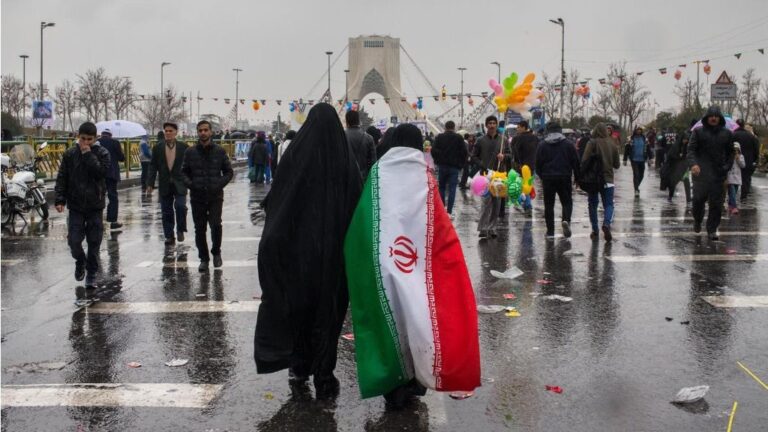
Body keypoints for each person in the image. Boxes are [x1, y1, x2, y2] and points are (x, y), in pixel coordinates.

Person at [254, 103, 362, 399]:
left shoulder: (296, 158)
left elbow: (280, 200)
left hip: (301, 256)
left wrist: (274, 245)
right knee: (328, 316)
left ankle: (300, 365)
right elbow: (357, 206)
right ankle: (324, 374)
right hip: (334, 257)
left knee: (300, 312)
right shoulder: (345, 163)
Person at [54, 122, 111, 288]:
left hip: (95, 205)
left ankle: (91, 274)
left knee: (94, 242)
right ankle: (80, 261)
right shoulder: (70, 154)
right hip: (76, 205)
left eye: (89, 139)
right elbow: (62, 177)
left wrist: (88, 154)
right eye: (82, 139)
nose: (85, 142)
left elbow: (101, 172)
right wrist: (59, 199)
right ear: (78, 136)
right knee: (74, 241)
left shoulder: (102, 153)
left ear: (95, 138)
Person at [181, 120, 234, 271]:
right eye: (200, 130)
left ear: (210, 132)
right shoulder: (190, 152)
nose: (203, 133)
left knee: (216, 225)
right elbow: (183, 172)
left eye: (205, 130)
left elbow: (229, 172)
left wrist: (219, 183)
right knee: (200, 228)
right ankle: (203, 258)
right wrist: (192, 184)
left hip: (215, 195)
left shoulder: (220, 151)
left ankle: (216, 252)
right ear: (197, 133)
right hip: (197, 196)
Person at [688, 106, 735, 240]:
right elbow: (691, 150)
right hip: (700, 175)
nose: (713, 118)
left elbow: (731, 153)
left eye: (716, 116)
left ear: (719, 118)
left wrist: (726, 166)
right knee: (698, 201)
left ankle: (712, 229)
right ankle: (697, 220)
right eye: (711, 116)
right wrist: (694, 164)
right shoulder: (698, 132)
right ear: (707, 118)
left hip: (718, 175)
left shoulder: (727, 134)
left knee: (716, 205)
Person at [535, 122, 580, 239]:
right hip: (564, 176)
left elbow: (538, 163)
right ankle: (566, 220)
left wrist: (542, 176)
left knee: (549, 205)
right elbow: (576, 162)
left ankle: (550, 231)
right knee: (566, 201)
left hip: (548, 178)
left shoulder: (542, 145)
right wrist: (577, 177)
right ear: (560, 131)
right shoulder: (568, 144)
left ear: (548, 131)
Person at [147, 122, 189, 245]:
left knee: (181, 207)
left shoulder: (184, 147)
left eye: (171, 131)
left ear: (176, 132)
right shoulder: (158, 147)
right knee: (166, 211)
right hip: (165, 183)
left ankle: (180, 229)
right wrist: (150, 183)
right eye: (166, 131)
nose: (168, 133)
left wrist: (191, 181)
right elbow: (153, 166)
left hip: (180, 183)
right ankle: (169, 235)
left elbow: (189, 166)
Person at [581, 123, 620, 241]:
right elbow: (617, 165)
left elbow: (584, 160)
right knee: (608, 204)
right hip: (607, 179)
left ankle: (595, 230)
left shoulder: (591, 143)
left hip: (593, 180)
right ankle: (607, 224)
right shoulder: (612, 144)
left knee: (592, 204)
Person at [472, 116, 507, 239]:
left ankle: (492, 228)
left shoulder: (504, 140)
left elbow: (510, 155)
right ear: (486, 125)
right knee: (486, 203)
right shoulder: (480, 140)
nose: (492, 125)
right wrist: (482, 164)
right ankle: (483, 228)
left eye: (494, 123)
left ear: (497, 125)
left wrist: (504, 157)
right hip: (485, 176)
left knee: (497, 203)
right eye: (490, 123)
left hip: (499, 175)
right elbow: (473, 156)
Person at [431, 120, 468, 218]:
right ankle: (450, 211)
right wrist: (460, 164)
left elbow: (433, 150)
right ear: (454, 127)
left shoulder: (439, 137)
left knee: (441, 188)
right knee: (452, 189)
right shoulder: (459, 138)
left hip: (442, 166)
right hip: (454, 167)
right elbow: (464, 152)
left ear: (445, 127)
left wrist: (438, 160)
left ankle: (443, 209)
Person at [98, 129, 125, 229]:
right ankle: (113, 221)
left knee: (99, 196)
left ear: (102, 134)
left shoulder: (97, 142)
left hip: (99, 173)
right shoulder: (115, 142)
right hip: (112, 173)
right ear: (111, 134)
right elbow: (121, 158)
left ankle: (98, 219)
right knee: (113, 197)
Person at [511, 120, 539, 215]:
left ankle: (527, 206)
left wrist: (517, 164)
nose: (517, 129)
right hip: (532, 166)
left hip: (521, 166)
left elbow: (515, 152)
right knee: (527, 185)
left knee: (522, 186)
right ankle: (525, 203)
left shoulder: (518, 138)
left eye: (518, 127)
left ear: (523, 127)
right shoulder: (535, 138)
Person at [664, 121, 694, 204]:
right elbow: (671, 155)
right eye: (685, 139)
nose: (685, 141)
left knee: (686, 181)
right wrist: (678, 157)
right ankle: (670, 196)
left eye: (687, 140)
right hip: (676, 167)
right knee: (674, 182)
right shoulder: (676, 146)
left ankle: (688, 199)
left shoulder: (687, 146)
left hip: (684, 167)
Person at [344, 110, 376, 180]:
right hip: (363, 178)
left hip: (346, 178)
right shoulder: (369, 138)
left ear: (347, 121)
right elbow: (373, 162)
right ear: (358, 120)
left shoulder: (341, 137)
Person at [733, 119, 760, 201]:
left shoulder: (733, 135)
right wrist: (754, 160)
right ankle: (743, 197)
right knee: (746, 179)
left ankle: (733, 197)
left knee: (734, 179)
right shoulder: (751, 136)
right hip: (748, 160)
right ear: (743, 125)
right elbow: (756, 150)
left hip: (735, 160)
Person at [623, 126, 650, 198]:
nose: (639, 131)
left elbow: (648, 148)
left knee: (641, 175)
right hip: (634, 160)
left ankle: (636, 186)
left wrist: (651, 158)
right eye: (637, 130)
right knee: (636, 174)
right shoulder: (630, 139)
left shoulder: (644, 139)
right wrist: (625, 159)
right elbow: (626, 149)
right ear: (635, 131)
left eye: (640, 130)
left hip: (642, 159)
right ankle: (636, 190)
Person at [726, 143, 746, 215]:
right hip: (730, 176)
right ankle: (734, 207)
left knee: (734, 192)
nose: (735, 151)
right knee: (732, 192)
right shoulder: (729, 156)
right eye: (734, 150)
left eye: (737, 150)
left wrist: (738, 160)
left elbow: (743, 165)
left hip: (737, 177)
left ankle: (730, 204)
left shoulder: (741, 156)